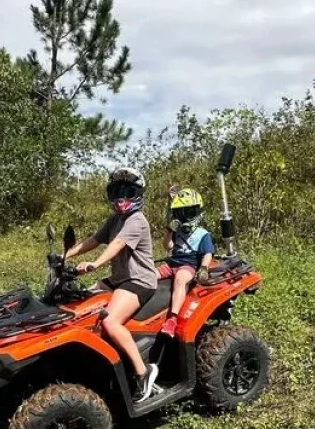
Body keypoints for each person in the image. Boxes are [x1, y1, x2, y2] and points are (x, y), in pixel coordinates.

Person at [64, 166, 160, 403]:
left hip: (139, 280)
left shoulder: (136, 221)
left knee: (110, 321)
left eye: (127, 191)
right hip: (118, 279)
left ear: (137, 194)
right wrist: (65, 255)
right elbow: (94, 240)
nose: (121, 197)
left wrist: (95, 264)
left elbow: (117, 245)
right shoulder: (115, 219)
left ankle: (143, 372)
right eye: (117, 191)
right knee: (83, 303)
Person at [157, 186, 214, 338]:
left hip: (188, 266)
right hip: (172, 264)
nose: (185, 218)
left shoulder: (202, 234)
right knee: (148, 275)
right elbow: (168, 246)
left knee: (180, 280)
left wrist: (203, 268)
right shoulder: (177, 231)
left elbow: (207, 253)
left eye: (188, 212)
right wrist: (169, 231)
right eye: (180, 213)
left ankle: (172, 319)